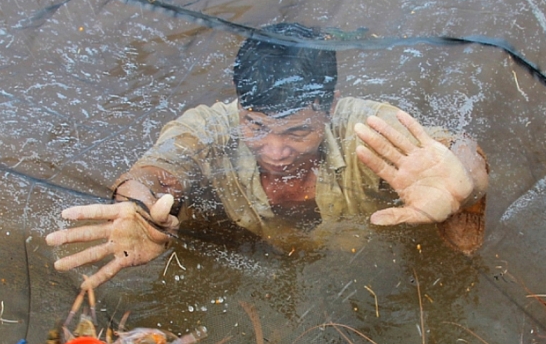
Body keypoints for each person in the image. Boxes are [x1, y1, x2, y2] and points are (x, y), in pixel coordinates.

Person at [46, 23, 490, 290]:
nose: (276, 151)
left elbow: (460, 152)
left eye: (298, 131)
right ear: (239, 108)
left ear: (330, 106)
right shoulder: (209, 127)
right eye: (256, 127)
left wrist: (466, 182)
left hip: (350, 248)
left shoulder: (367, 127)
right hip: (249, 239)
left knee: (462, 236)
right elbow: (156, 171)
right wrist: (135, 205)